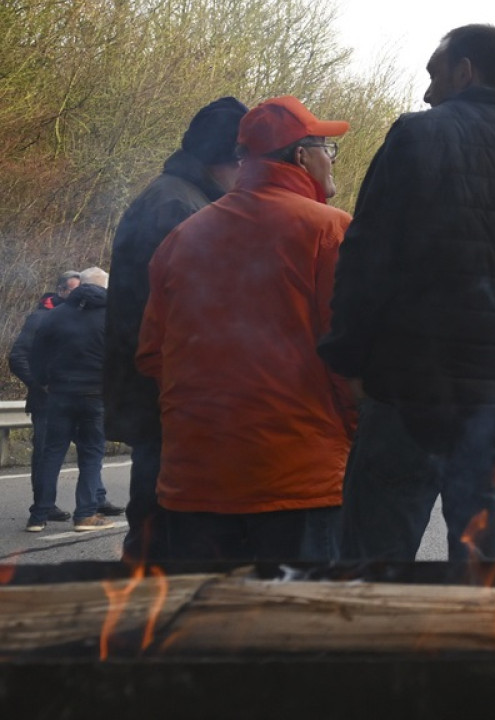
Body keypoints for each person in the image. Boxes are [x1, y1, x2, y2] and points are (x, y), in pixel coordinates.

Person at [318, 24, 495, 563]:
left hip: (409, 395)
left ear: (465, 71)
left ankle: (372, 645)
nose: (428, 92)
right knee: (487, 571)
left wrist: (350, 360)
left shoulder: (415, 136)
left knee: (374, 564)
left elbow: (365, 261)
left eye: (435, 74)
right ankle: (477, 646)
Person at [137, 96, 354, 562]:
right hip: (298, 480)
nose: (331, 160)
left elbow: (153, 354)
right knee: (290, 627)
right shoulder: (330, 232)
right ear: (301, 156)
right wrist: (351, 437)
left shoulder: (182, 237)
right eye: (327, 149)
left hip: (195, 482)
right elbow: (352, 357)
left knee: (206, 628)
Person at [105, 96, 248, 562]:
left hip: (159, 387)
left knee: (160, 511)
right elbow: (188, 313)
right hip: (166, 391)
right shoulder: (179, 207)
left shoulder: (177, 195)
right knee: (159, 517)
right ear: (229, 158)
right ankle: (141, 615)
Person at [26, 267, 121, 532]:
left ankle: (38, 517)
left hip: (59, 396)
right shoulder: (114, 317)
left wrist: (45, 382)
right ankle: (85, 515)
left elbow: (36, 355)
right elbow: (122, 359)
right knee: (91, 455)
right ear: (105, 287)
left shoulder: (55, 315)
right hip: (95, 396)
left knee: (51, 454)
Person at [9, 270, 83, 526]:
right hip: (47, 402)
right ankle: (43, 507)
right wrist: (40, 384)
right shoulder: (40, 318)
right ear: (61, 291)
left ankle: (95, 499)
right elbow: (17, 357)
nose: (78, 296)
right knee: (44, 455)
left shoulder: (77, 317)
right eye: (73, 290)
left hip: (76, 397)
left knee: (89, 449)